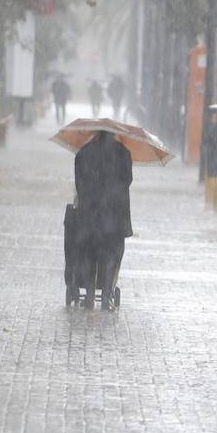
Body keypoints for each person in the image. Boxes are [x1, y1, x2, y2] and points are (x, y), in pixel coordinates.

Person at [74, 130, 133, 310]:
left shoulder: (83, 153)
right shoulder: (124, 153)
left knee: (89, 253)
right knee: (111, 253)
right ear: (114, 134)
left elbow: (79, 184)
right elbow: (128, 180)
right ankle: (106, 294)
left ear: (96, 133)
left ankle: (90, 293)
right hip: (115, 215)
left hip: (90, 214)